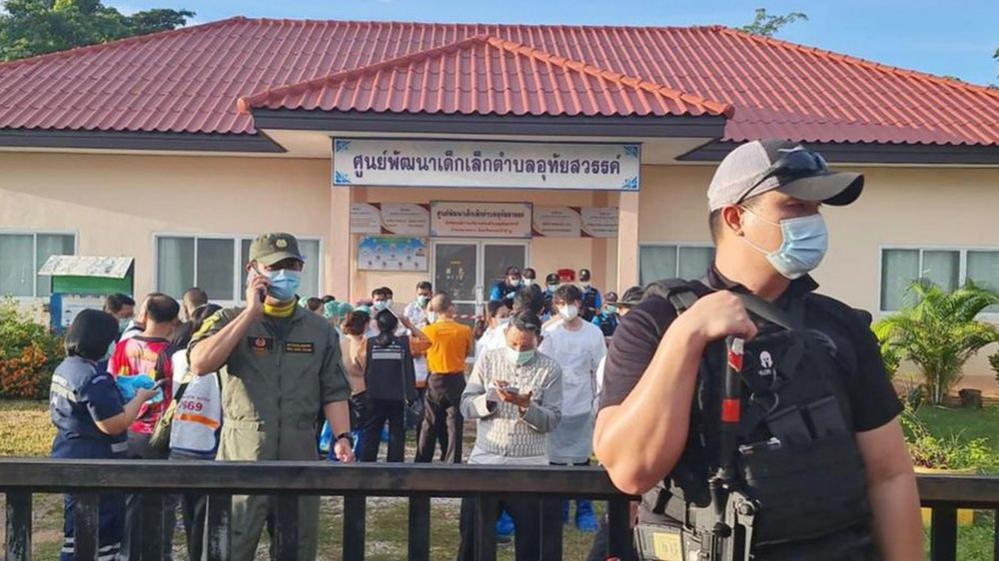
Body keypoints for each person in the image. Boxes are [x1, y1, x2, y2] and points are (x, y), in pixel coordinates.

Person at [595, 140, 922, 561]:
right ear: (736, 218)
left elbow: (889, 473)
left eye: (817, 210)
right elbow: (630, 471)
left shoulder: (838, 328)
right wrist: (687, 336)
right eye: (795, 206)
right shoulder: (656, 322)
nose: (813, 222)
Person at [187, 232, 355, 561]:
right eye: (275, 266)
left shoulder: (319, 330)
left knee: (297, 548)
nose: (286, 273)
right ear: (253, 270)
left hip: (299, 453)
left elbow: (333, 389)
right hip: (242, 453)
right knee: (229, 548)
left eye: (292, 265)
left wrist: (342, 436)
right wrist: (251, 313)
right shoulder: (226, 320)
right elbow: (200, 363)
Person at [50, 310, 159, 561]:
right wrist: (141, 398)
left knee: (76, 528)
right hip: (96, 465)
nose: (114, 343)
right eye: (113, 338)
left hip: (70, 455)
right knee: (97, 533)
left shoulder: (68, 367)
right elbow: (114, 425)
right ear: (100, 340)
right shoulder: (93, 378)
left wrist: (118, 385)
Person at [457, 311, 564, 561]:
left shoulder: (550, 369)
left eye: (525, 345)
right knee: (474, 536)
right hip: (486, 459)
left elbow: (552, 419)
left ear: (539, 340)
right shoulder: (488, 360)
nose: (518, 349)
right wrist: (489, 399)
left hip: (529, 464)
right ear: (505, 335)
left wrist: (526, 406)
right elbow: (466, 405)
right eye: (513, 343)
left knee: (532, 540)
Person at [107, 292, 180, 560]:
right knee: (164, 503)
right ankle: (160, 553)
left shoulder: (123, 346)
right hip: (160, 437)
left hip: (126, 428)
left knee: (130, 500)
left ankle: (127, 553)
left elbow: (112, 380)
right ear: (174, 321)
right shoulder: (174, 355)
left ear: (145, 315)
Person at [539, 284, 606, 532]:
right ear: (555, 306)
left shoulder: (593, 333)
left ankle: (584, 510)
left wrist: (599, 403)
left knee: (581, 461)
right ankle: (559, 508)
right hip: (555, 405)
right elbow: (540, 366)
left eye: (572, 303)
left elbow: (601, 370)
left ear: (580, 304)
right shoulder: (549, 332)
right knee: (555, 461)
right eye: (561, 304)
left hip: (583, 404)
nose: (567, 309)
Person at [165, 303, 223, 561]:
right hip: (210, 447)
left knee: (190, 516)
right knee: (209, 519)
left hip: (179, 444)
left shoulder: (178, 356)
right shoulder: (224, 362)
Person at [415, 293, 474, 464]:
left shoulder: (428, 331)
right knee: (455, 424)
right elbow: (466, 351)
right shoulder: (464, 330)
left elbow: (423, 352)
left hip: (435, 378)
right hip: (456, 378)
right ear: (451, 308)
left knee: (430, 422)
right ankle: (453, 462)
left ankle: (422, 461)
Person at [359, 310, 417, 462]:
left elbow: (364, 367)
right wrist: (409, 325)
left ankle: (367, 464)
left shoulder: (370, 343)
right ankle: (395, 466)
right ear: (396, 325)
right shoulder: (403, 343)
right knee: (397, 433)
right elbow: (425, 343)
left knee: (371, 431)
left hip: (374, 393)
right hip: (397, 395)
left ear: (377, 325)